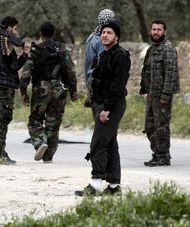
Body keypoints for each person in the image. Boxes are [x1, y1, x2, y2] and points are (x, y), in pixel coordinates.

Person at [75, 21, 131, 196]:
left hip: (111, 106)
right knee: (110, 143)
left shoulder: (120, 56)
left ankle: (96, 183)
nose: (105, 35)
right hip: (102, 104)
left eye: (109, 32)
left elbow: (117, 85)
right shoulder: (105, 54)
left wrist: (106, 109)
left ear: (117, 37)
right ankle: (114, 186)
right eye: (103, 33)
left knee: (98, 143)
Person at [20, 21, 78, 162]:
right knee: (53, 123)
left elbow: (26, 73)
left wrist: (23, 91)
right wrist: (73, 90)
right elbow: (70, 71)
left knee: (35, 120)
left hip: (41, 89)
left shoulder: (36, 50)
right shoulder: (62, 49)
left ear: (41, 34)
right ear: (54, 34)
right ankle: (48, 156)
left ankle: (40, 143)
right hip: (59, 90)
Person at [0, 16, 31, 165]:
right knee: (2, 120)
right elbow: (14, 66)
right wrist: (25, 53)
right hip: (5, 88)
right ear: (9, 29)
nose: (17, 31)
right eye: (15, 28)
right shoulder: (5, 44)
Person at [140, 20, 180, 167]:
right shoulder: (152, 49)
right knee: (150, 126)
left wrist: (166, 95)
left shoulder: (168, 49)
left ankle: (163, 156)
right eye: (154, 29)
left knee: (161, 126)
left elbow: (171, 73)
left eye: (159, 30)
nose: (156, 32)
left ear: (165, 32)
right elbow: (147, 71)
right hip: (152, 94)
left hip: (162, 95)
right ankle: (157, 153)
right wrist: (144, 88)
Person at [83, 9, 116, 107]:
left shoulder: (92, 36)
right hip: (98, 83)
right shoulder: (102, 41)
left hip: (90, 79)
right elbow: (104, 64)